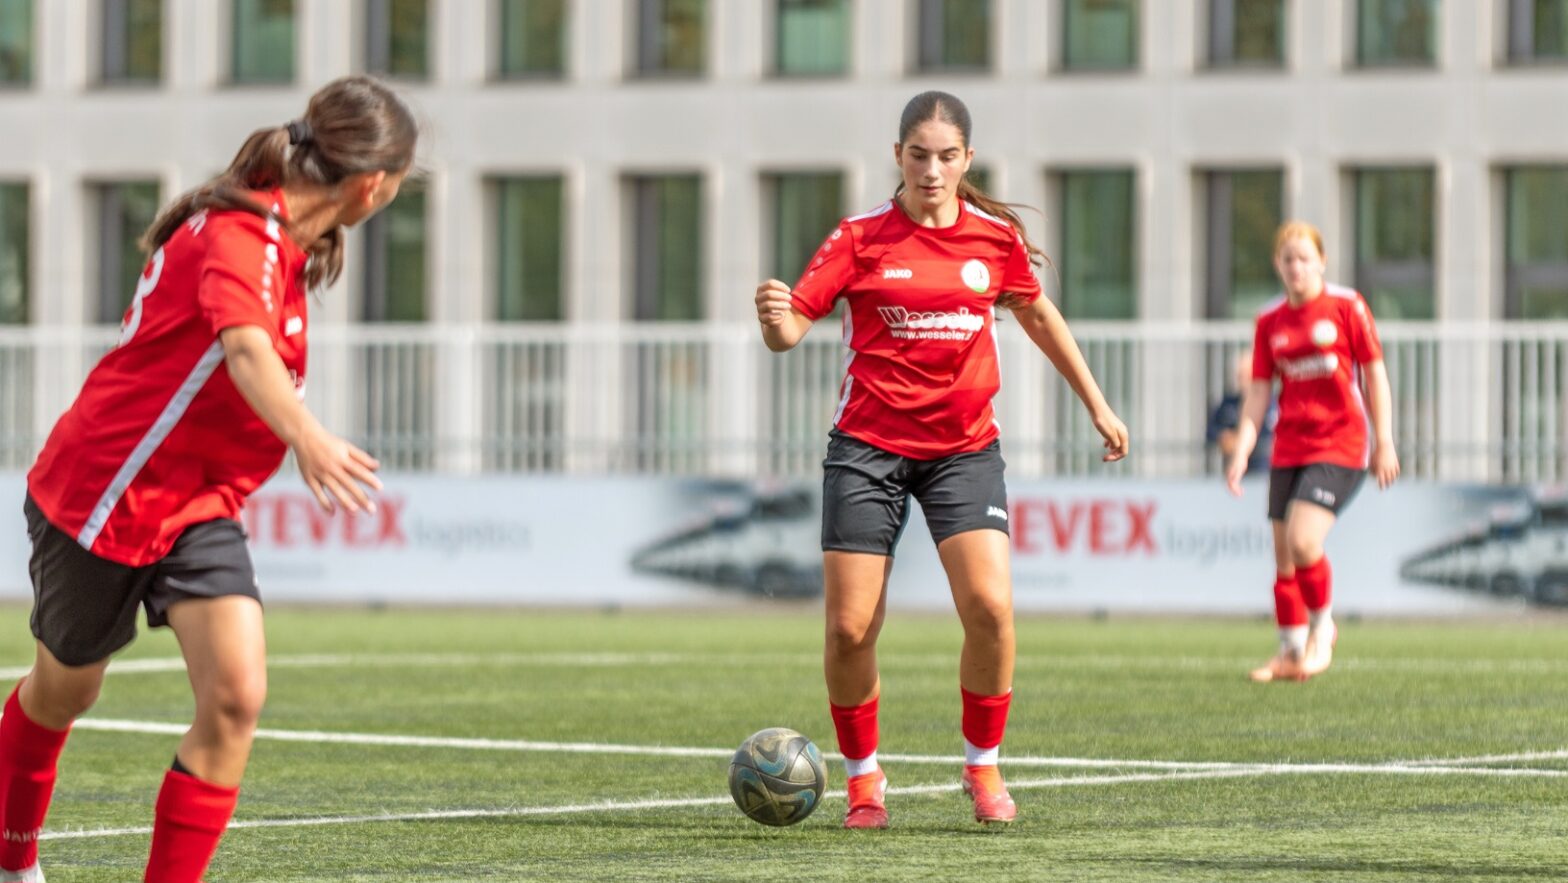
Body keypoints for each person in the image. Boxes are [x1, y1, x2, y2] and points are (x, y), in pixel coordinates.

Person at [0, 76, 416, 882]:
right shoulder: (242, 233)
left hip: (197, 506)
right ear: (372, 184)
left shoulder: (288, 241)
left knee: (234, 698)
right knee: (63, 692)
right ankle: (11, 861)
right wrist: (309, 437)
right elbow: (245, 348)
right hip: (105, 494)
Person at [753, 91, 1129, 828]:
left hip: (964, 449)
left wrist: (1097, 403)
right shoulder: (859, 238)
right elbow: (791, 330)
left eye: (946, 157)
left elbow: (1038, 314)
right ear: (897, 156)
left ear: (967, 160)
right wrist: (773, 319)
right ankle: (864, 779)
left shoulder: (993, 240)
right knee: (849, 628)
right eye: (919, 156)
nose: (932, 170)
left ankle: (982, 765)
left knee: (990, 608)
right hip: (867, 449)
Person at [1225, 221, 1399, 683]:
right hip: (1289, 445)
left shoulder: (1347, 306)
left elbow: (1374, 374)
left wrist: (1385, 440)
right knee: (1284, 557)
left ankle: (1323, 628)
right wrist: (1242, 450)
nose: (1296, 267)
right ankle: (1290, 651)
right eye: (1288, 259)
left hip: (1341, 442)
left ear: (1322, 261)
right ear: (1277, 265)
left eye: (1304, 258)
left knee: (1304, 542)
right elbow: (1258, 392)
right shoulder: (1269, 321)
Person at [1207, 348, 1276, 474]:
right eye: (1240, 375)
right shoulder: (1228, 404)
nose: (1242, 380)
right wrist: (1224, 437)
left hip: (1264, 470)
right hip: (1236, 469)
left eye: (1246, 375)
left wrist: (1241, 442)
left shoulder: (1274, 405)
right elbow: (1212, 430)